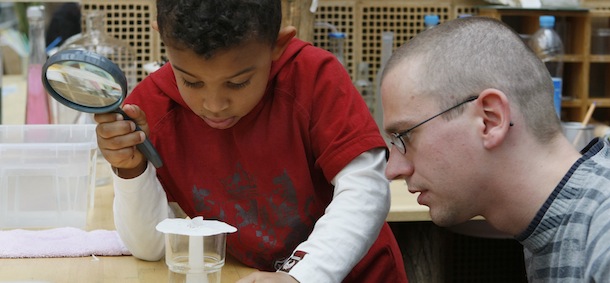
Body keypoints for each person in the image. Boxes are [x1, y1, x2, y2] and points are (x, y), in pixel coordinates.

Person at [94, 0, 408, 282]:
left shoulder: (314, 78)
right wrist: (131, 170)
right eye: (191, 80)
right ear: (162, 37)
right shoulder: (154, 106)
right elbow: (152, 247)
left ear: (278, 45)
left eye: (238, 81)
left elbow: (366, 188)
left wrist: (301, 276)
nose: (214, 104)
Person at [380, 16, 610, 282]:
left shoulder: (603, 240)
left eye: (405, 135)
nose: (393, 169)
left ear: (491, 120)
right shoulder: (555, 228)